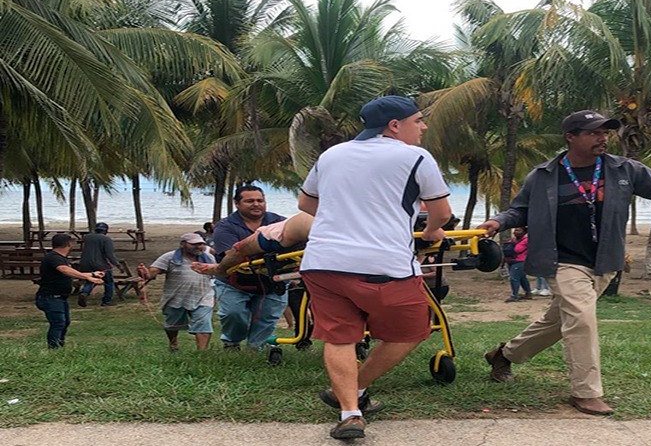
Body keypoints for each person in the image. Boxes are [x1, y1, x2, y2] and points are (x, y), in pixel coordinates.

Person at [478, 110, 651, 416]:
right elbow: (520, 210)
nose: (603, 138)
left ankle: (503, 355)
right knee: (582, 319)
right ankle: (585, 393)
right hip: (561, 260)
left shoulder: (624, 170)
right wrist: (498, 220)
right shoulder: (544, 175)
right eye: (593, 133)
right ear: (571, 137)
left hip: (603, 261)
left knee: (559, 320)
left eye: (606, 132)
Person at [298, 95, 452, 440]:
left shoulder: (332, 154)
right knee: (411, 331)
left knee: (339, 337)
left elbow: (306, 203)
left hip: (323, 263)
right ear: (394, 126)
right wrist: (429, 232)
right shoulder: (415, 157)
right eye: (418, 121)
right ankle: (359, 387)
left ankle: (351, 411)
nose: (423, 127)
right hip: (385, 265)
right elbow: (440, 213)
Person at [209, 185, 289, 351]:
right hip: (234, 281)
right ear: (237, 203)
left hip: (272, 282)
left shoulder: (280, 222)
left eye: (260, 200)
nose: (256, 204)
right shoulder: (225, 226)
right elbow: (230, 255)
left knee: (268, 317)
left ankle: (256, 349)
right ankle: (232, 342)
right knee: (233, 314)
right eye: (250, 201)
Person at [136, 233, 217, 352]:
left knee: (203, 324)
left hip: (203, 296)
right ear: (183, 244)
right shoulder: (169, 257)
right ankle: (173, 344)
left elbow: (216, 273)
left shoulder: (208, 258)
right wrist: (144, 273)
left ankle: (202, 353)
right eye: (194, 244)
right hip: (175, 297)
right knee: (172, 325)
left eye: (201, 244)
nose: (198, 247)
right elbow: (152, 272)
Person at [36, 234, 104, 348]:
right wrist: (87, 277)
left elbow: (69, 271)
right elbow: (64, 270)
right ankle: (54, 349)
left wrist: (93, 274)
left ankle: (60, 346)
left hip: (60, 297)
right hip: (51, 297)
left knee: (65, 322)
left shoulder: (60, 258)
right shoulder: (54, 257)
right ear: (69, 244)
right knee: (58, 323)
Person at [77, 222, 120, 307]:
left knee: (90, 280)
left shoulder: (87, 237)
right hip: (100, 265)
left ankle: (84, 292)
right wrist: (117, 265)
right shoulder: (106, 239)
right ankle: (106, 301)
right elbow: (110, 255)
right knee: (109, 282)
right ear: (106, 231)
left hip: (85, 263)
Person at [503, 227, 532, 302]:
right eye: (515, 230)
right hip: (510, 260)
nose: (516, 232)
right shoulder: (512, 240)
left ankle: (514, 295)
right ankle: (528, 293)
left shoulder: (527, 241)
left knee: (514, 278)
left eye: (518, 230)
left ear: (524, 232)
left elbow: (518, 250)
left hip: (520, 261)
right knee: (522, 278)